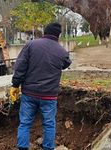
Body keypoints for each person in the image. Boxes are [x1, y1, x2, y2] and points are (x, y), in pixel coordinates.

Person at [10, 22, 71, 150]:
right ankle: (48, 148)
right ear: (58, 36)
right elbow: (66, 63)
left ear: (45, 32)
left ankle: (22, 147)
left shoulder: (31, 45)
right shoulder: (62, 51)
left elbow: (20, 66)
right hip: (49, 96)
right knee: (49, 124)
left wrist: (15, 84)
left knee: (25, 123)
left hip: (29, 93)